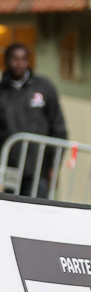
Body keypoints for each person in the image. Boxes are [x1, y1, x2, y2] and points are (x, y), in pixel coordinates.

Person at [0, 43, 66, 198]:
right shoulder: (2, 92)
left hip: (39, 169)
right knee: (12, 209)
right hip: (10, 169)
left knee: (37, 208)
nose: (19, 64)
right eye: (15, 59)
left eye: (24, 59)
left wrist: (54, 165)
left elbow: (58, 128)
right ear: (6, 61)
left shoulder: (44, 87)